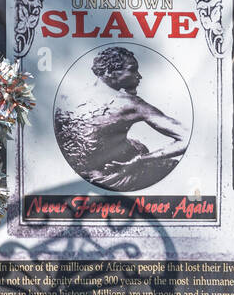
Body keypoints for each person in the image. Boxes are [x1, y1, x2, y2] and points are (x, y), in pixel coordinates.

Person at [53, 46, 189, 192]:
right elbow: (186, 137)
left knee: (135, 144)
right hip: (115, 178)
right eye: (132, 70)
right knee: (175, 168)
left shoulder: (67, 98)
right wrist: (140, 160)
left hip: (79, 177)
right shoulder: (130, 103)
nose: (139, 76)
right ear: (109, 72)